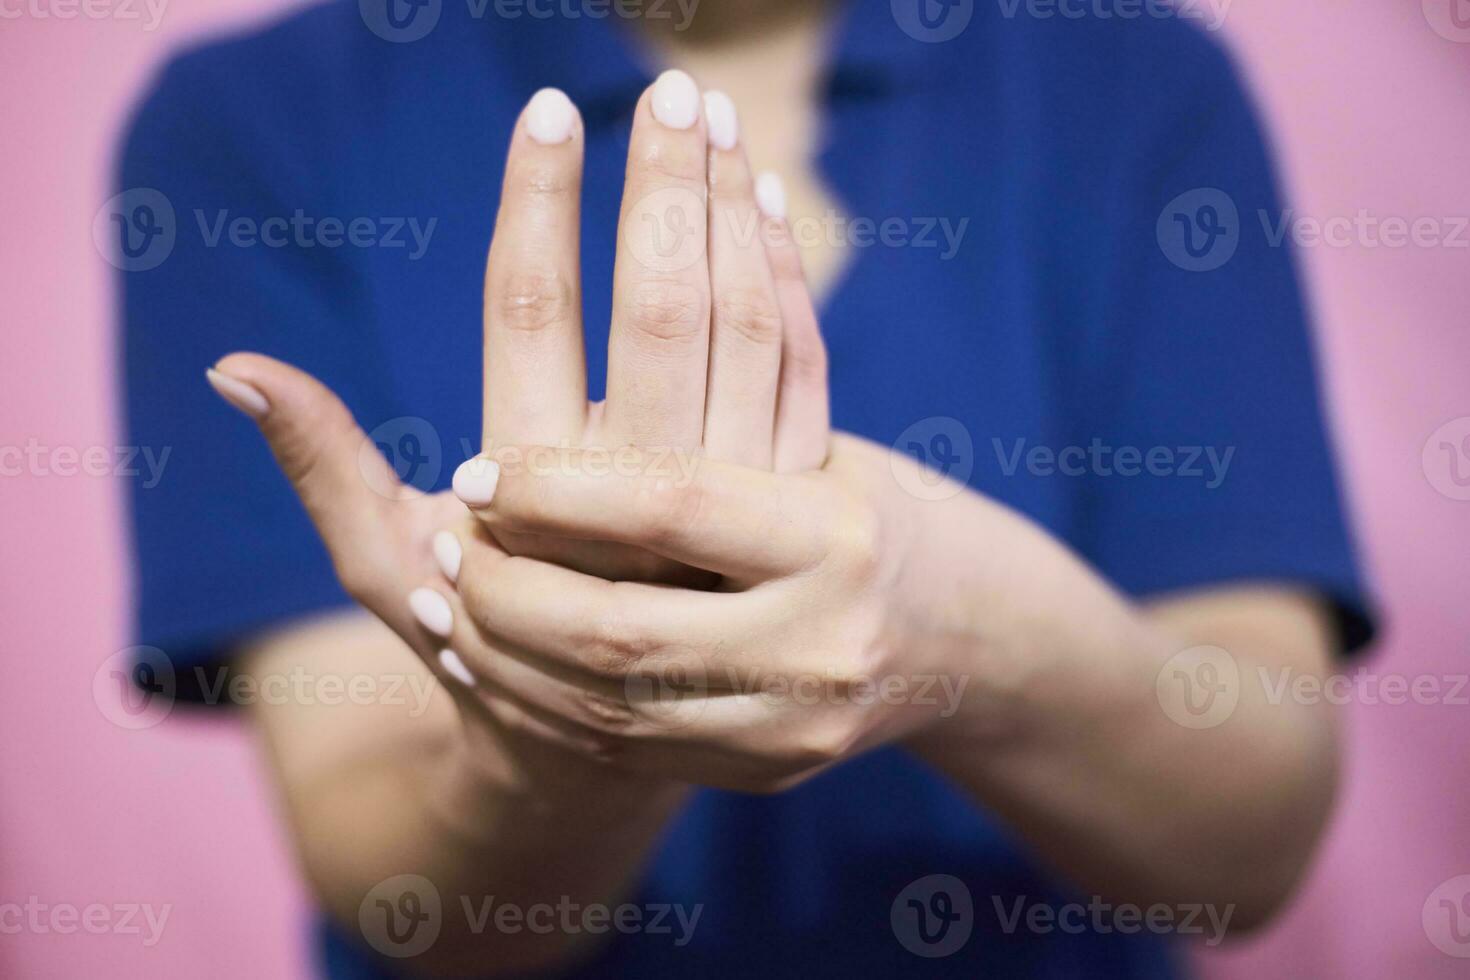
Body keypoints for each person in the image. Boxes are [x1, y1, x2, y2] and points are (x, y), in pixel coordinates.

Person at [118, 0, 1374, 976]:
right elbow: (412, 900)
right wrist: (578, 728)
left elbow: (1249, 834)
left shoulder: (1136, 84)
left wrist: (955, 620)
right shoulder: (251, 124)